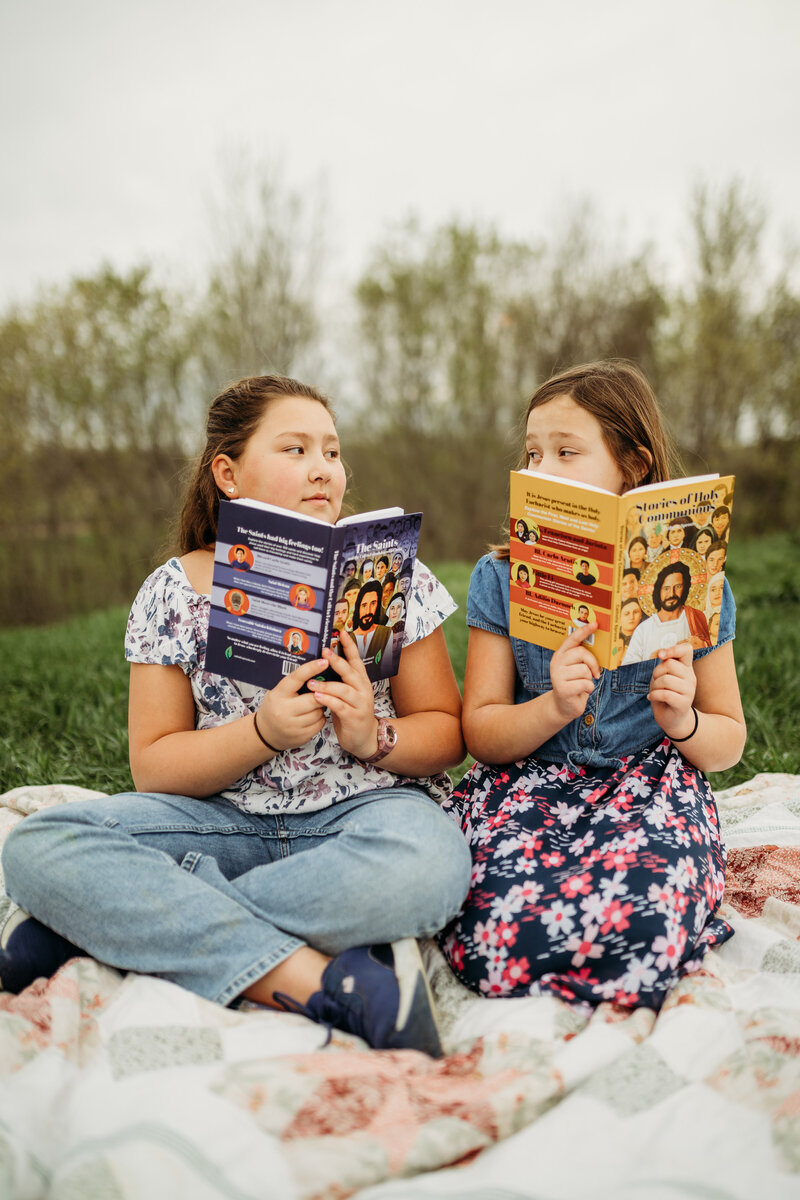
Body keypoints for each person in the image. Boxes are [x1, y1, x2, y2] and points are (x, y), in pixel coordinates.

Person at [1, 374, 471, 1058]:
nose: (323, 469)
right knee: (37, 848)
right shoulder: (174, 591)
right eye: (295, 449)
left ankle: (118, 922)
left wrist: (374, 736)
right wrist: (261, 733)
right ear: (228, 472)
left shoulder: (389, 573)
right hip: (226, 820)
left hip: (367, 815)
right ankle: (319, 980)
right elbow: (153, 764)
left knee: (432, 866)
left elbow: (448, 735)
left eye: (332, 452)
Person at [438, 359, 745, 1010]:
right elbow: (481, 733)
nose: (539, 469)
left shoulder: (699, 585)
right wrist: (552, 706)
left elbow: (729, 741)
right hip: (530, 783)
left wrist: (683, 721)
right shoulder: (499, 578)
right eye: (531, 454)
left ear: (631, 467)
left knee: (646, 927)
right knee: (494, 934)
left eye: (566, 452)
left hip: (648, 788)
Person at [622, 561, 712, 665]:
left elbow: (712, 656)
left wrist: (702, 646)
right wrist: (650, 663)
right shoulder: (643, 630)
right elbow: (628, 669)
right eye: (666, 588)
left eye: (677, 586)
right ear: (658, 591)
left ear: (685, 587)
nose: (671, 593)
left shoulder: (695, 617)